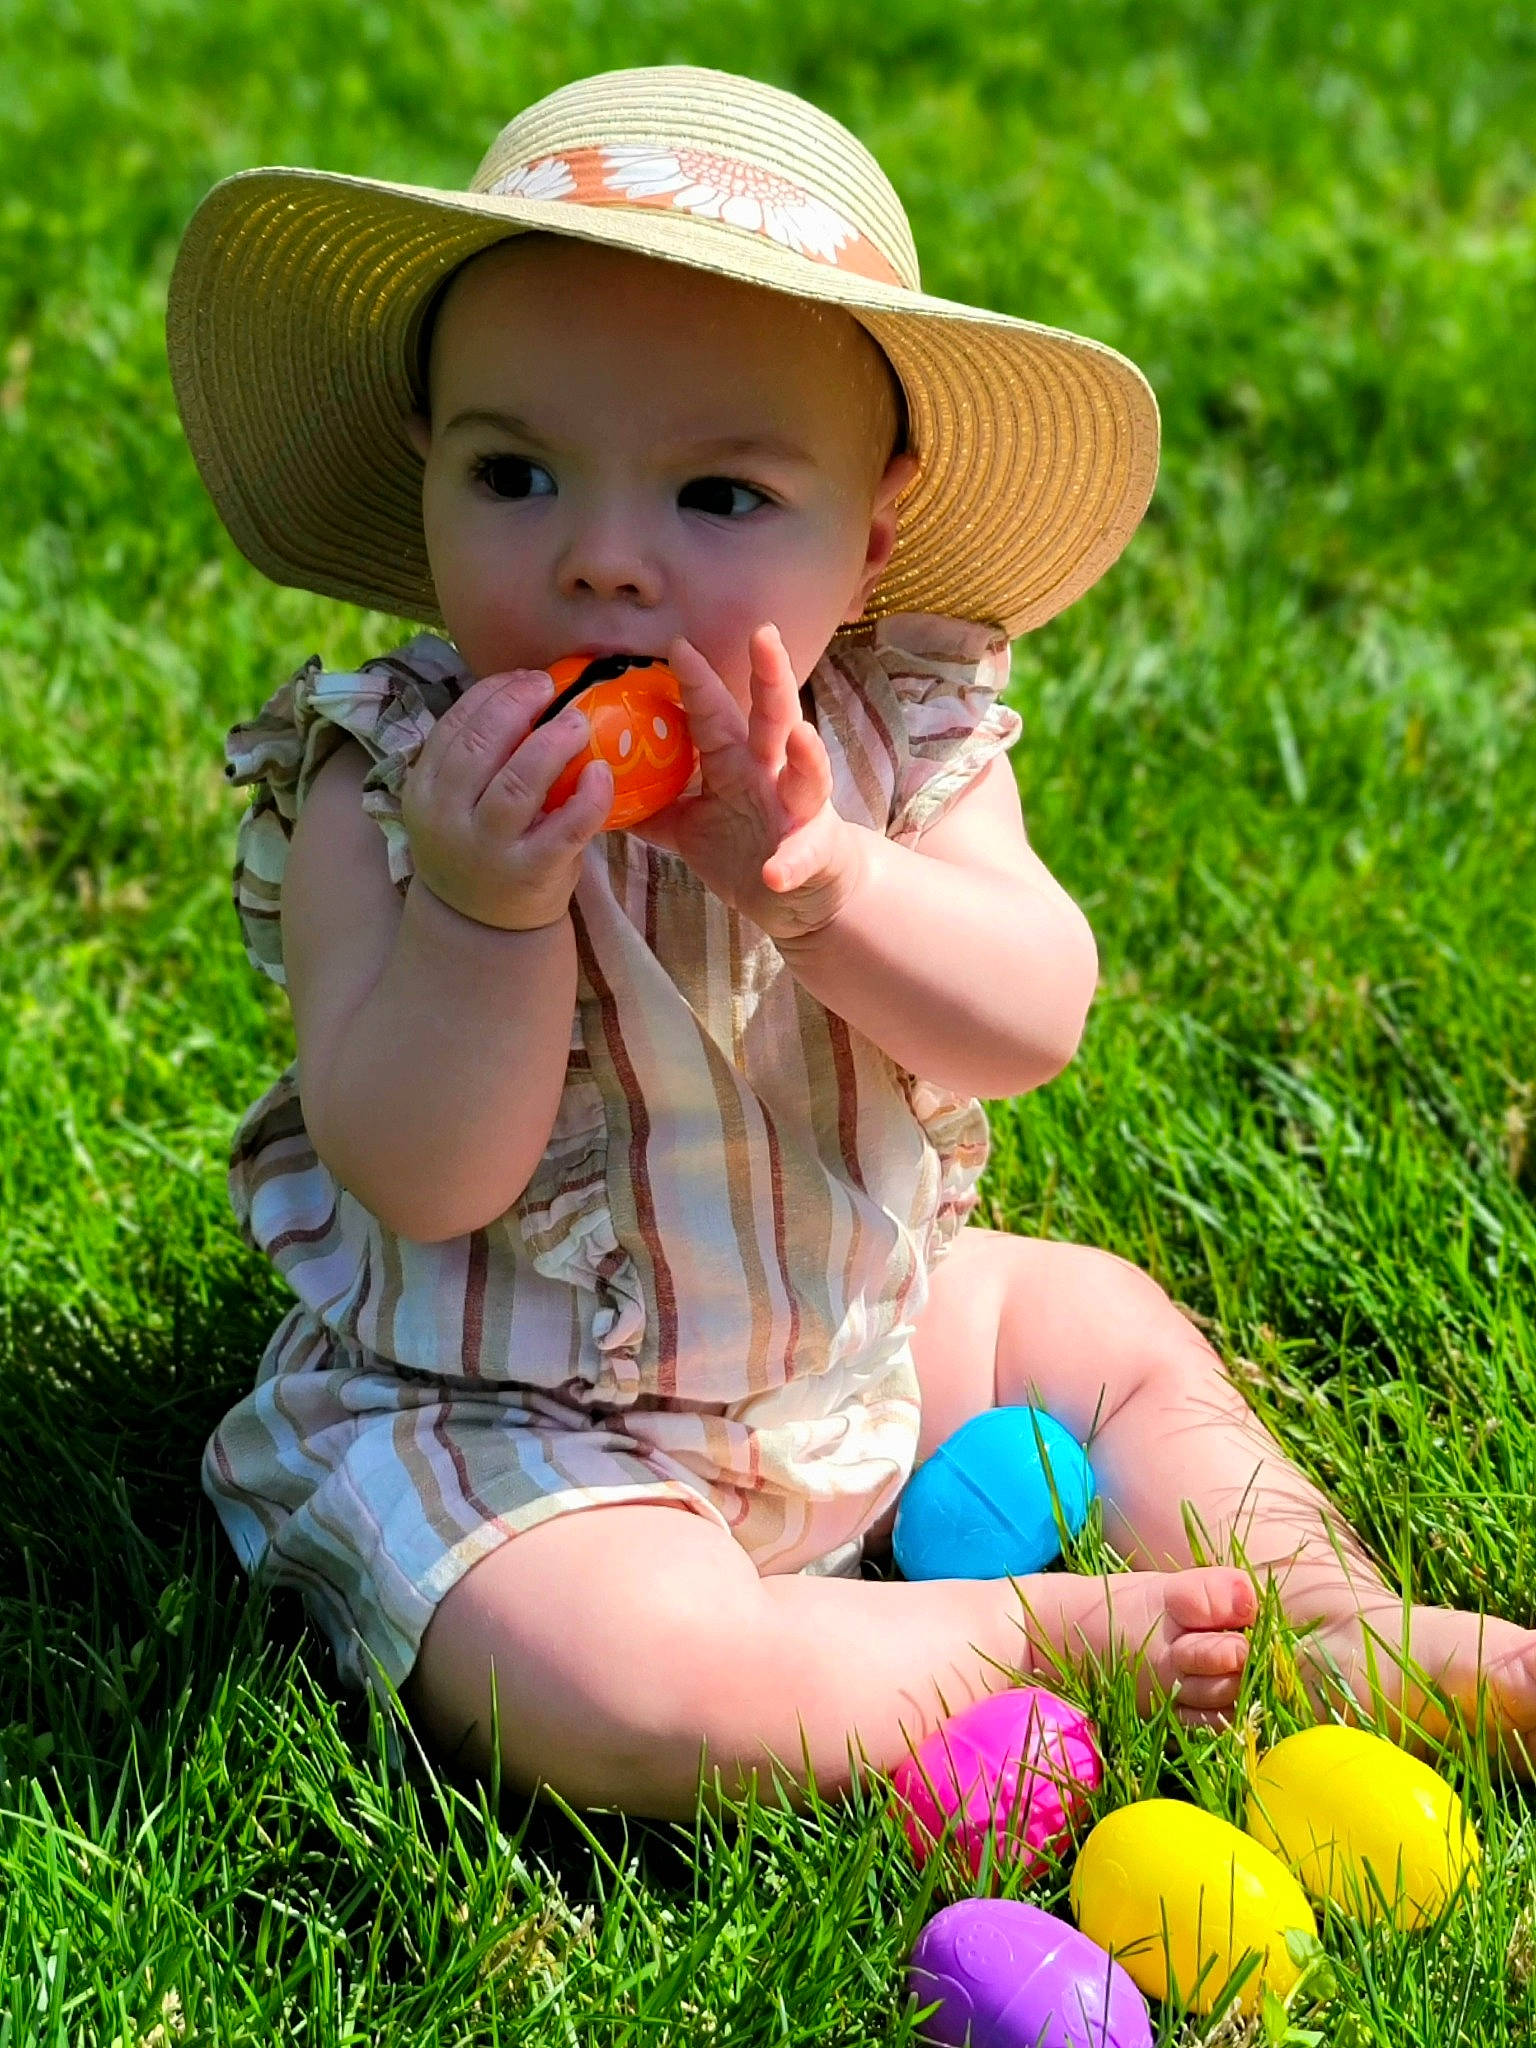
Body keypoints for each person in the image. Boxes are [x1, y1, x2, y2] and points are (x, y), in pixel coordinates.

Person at [169, 64, 1536, 1822]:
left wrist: (823, 881)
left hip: (851, 1347)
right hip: (517, 1429)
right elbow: (424, 1173)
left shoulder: (897, 739)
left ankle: (1311, 1606)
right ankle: (1043, 1639)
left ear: (869, 536)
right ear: (421, 473)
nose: (601, 564)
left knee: (1084, 1315)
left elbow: (1028, 1016)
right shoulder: (387, 791)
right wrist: (485, 905)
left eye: (719, 498)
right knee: (615, 1684)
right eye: (514, 472)